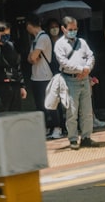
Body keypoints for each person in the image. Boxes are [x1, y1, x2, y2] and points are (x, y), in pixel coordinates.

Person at [54, 16, 95, 150]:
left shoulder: (82, 42)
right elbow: (63, 63)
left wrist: (87, 69)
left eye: (75, 29)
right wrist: (80, 69)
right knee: (72, 111)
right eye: (70, 29)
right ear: (63, 29)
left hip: (84, 79)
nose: (73, 31)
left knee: (87, 111)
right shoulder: (59, 45)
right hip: (70, 80)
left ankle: (86, 137)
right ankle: (73, 139)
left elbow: (91, 56)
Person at [26, 14, 62, 140]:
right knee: (41, 105)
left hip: (46, 76)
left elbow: (33, 57)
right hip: (36, 76)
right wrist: (33, 57)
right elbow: (30, 58)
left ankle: (57, 128)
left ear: (30, 25)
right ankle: (48, 127)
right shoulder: (35, 39)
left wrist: (33, 57)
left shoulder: (43, 37)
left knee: (51, 104)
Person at [45, 18, 67, 134]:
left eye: (56, 26)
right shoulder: (47, 41)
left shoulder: (64, 41)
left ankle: (66, 125)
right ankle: (58, 125)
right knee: (55, 100)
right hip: (53, 73)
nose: (54, 29)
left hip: (65, 72)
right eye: (52, 27)